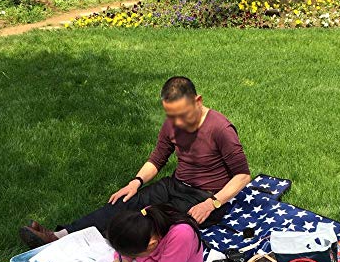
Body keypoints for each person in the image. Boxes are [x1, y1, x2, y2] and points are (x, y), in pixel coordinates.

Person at [19, 76, 251, 247]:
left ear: (198, 101)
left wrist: (211, 204)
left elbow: (242, 176)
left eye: (183, 115)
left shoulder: (220, 128)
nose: (177, 122)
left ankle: (86, 248)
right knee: (124, 202)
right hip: (174, 185)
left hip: (205, 197)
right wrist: (136, 182)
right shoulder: (172, 123)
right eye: (172, 116)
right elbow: (157, 158)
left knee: (148, 221)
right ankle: (59, 236)